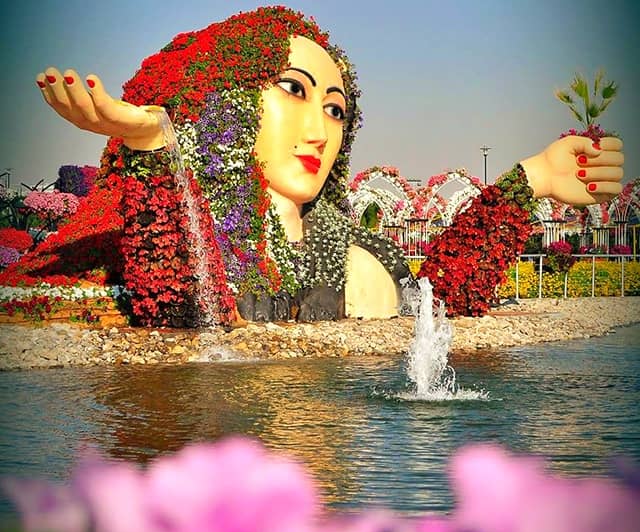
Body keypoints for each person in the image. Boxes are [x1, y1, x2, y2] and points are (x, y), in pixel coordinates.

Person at [32, 6, 623, 325]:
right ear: (228, 101)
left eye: (336, 110)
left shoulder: (349, 238)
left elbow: (440, 302)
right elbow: (186, 304)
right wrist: (154, 147)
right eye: (293, 89)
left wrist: (531, 180)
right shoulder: (207, 230)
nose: (320, 131)